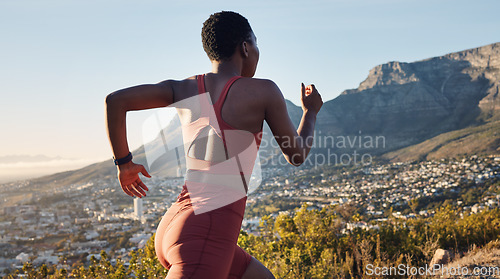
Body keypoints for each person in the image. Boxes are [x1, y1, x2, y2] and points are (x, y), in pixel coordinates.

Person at [105, 11, 322, 279]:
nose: (257, 52)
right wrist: (310, 112)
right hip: (204, 236)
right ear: (245, 47)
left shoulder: (183, 88)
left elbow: (115, 101)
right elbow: (297, 154)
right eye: (256, 43)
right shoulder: (263, 90)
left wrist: (124, 164)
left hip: (176, 225)